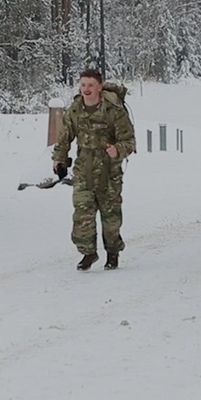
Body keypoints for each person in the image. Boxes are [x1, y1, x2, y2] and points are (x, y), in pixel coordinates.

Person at [52, 69, 136, 270]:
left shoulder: (113, 110)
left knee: (111, 217)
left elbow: (129, 140)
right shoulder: (75, 110)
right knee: (82, 214)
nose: (86, 89)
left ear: (99, 86)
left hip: (109, 171)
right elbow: (63, 138)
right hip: (84, 170)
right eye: (83, 85)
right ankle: (88, 253)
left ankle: (113, 253)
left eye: (90, 85)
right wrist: (59, 161)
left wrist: (118, 150)